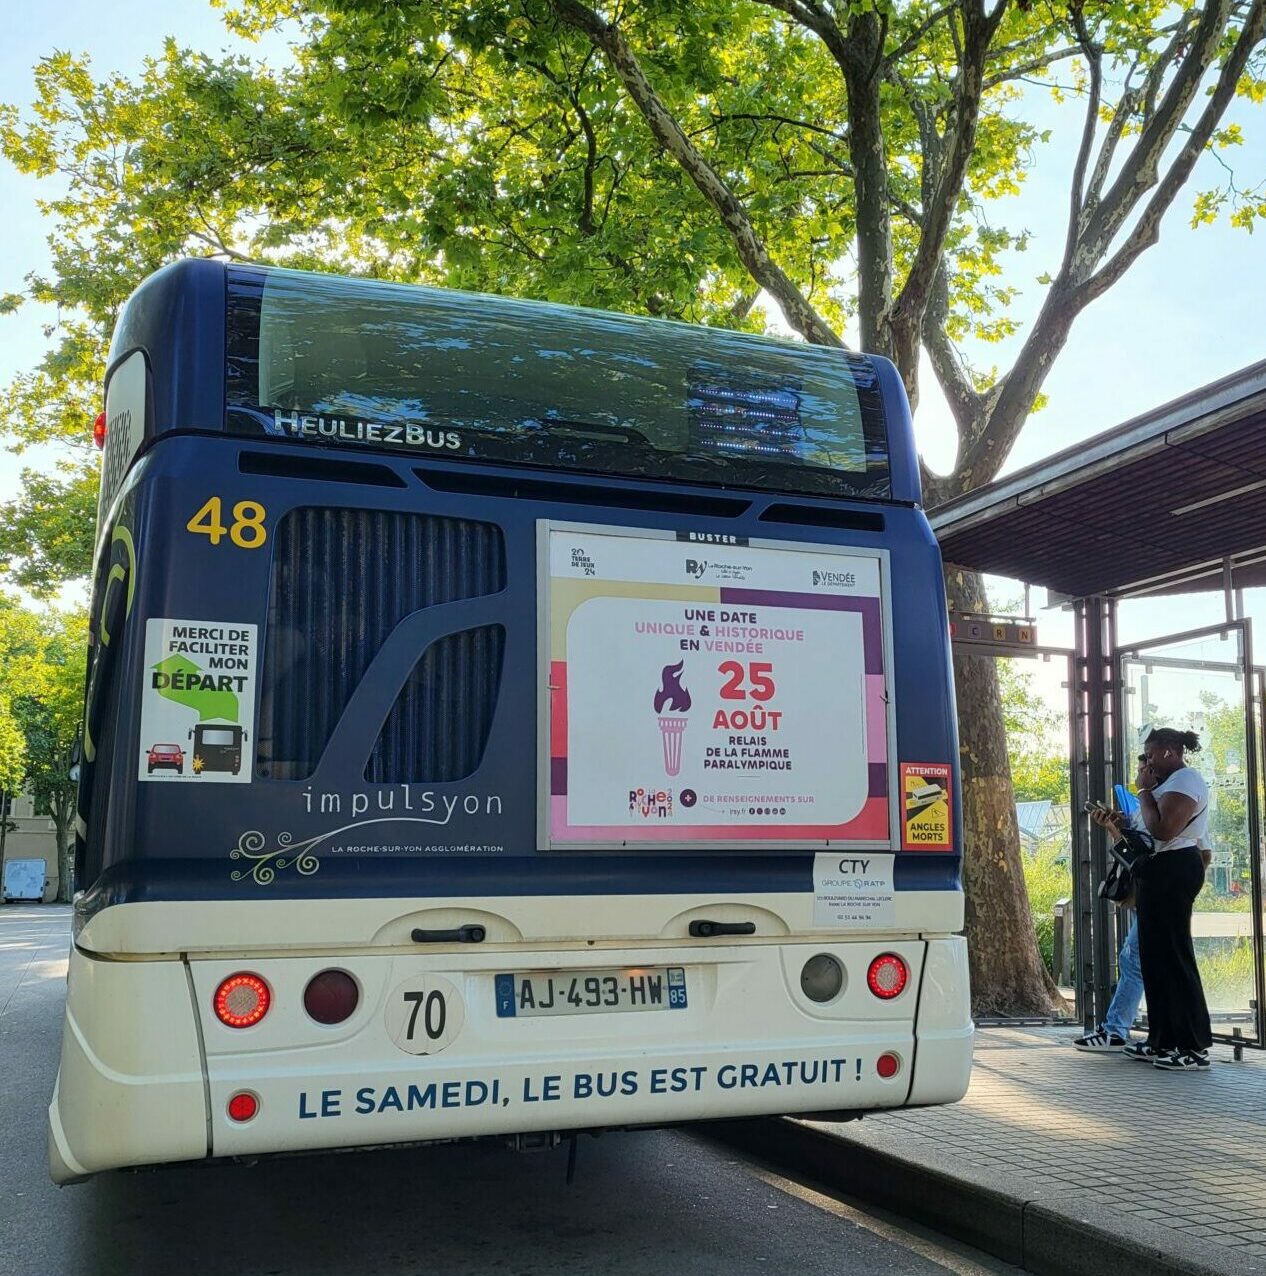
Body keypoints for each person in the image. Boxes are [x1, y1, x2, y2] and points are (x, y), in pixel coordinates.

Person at [1091, 728, 1212, 1070]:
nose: (1147, 763)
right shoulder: (1164, 786)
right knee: (1154, 960)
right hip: (1156, 871)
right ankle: (1163, 1040)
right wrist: (1117, 823)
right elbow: (1146, 834)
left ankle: (1193, 1046)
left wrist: (1143, 790)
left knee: (1174, 958)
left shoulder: (1186, 780)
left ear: (1171, 752)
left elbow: (1163, 830)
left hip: (1175, 869)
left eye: (1151, 755)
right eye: (1144, 757)